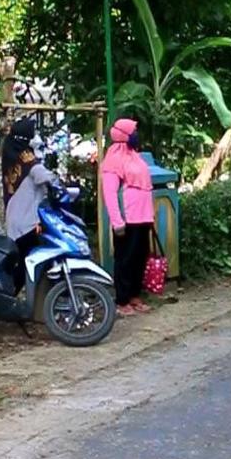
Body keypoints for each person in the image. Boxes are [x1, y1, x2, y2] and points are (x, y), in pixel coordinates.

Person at [100, 118, 155, 317]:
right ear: (123, 135)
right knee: (125, 259)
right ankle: (122, 300)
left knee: (140, 257)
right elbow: (110, 192)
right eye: (133, 131)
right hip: (127, 218)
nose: (136, 135)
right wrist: (117, 221)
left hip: (143, 217)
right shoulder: (113, 160)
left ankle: (134, 295)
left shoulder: (135, 156)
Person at [2, 118, 54, 259]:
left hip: (14, 216)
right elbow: (45, 177)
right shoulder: (28, 160)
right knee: (29, 258)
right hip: (27, 222)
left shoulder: (11, 154)